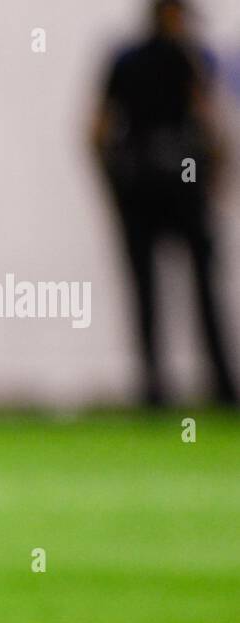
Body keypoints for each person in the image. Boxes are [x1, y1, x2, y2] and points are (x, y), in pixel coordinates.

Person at [92, 0, 236, 406]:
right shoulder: (185, 60)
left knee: (171, 292)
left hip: (155, 190)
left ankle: (166, 389)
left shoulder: (137, 59)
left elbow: (98, 132)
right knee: (179, 291)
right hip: (169, 190)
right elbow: (208, 124)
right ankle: (207, 388)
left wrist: (116, 186)